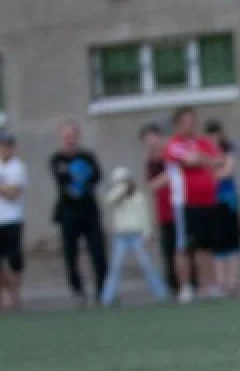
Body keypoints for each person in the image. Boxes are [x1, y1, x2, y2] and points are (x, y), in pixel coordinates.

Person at [165, 107, 222, 301]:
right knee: (184, 246)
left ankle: (210, 285)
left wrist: (202, 158)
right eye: (186, 122)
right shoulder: (174, 144)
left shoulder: (202, 142)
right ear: (178, 124)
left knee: (206, 246)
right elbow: (190, 161)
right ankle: (185, 287)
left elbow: (218, 161)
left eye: (193, 121)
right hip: (185, 202)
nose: (191, 125)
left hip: (208, 201)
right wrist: (204, 159)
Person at [49, 120, 108, 306]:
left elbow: (96, 176)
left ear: (78, 137)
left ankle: (102, 289)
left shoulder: (87, 156)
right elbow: (62, 178)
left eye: (73, 136)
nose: (70, 140)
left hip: (89, 212)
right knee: (70, 254)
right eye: (66, 136)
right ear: (61, 138)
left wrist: (77, 175)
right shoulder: (56, 159)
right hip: (68, 213)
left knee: (98, 251)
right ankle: (77, 290)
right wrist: (79, 175)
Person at [99, 166, 168, 307]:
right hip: (120, 236)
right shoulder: (114, 196)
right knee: (115, 267)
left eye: (125, 181)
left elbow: (144, 216)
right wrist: (121, 190)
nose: (123, 184)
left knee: (147, 265)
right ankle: (107, 298)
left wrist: (147, 233)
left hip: (137, 235)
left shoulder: (138, 196)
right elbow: (109, 201)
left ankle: (161, 293)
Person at [141, 123, 186, 293]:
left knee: (183, 246)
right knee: (168, 247)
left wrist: (165, 178)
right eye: (146, 140)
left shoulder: (171, 154)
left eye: (152, 138)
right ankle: (173, 284)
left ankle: (188, 282)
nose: (150, 143)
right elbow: (150, 185)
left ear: (160, 136)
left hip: (179, 205)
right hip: (163, 209)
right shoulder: (150, 162)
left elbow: (177, 173)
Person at [205, 120, 240, 296]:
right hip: (211, 201)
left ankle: (233, 282)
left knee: (232, 241)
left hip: (228, 200)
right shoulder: (205, 152)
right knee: (218, 243)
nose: (215, 139)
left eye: (217, 134)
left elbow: (227, 171)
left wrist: (212, 173)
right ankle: (221, 282)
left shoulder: (229, 149)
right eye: (211, 135)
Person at [0, 131, 26, 311]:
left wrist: (4, 189)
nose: (5, 149)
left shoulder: (18, 167)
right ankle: (5, 292)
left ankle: (15, 294)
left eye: (8, 145)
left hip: (12, 219)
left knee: (14, 259)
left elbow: (14, 193)